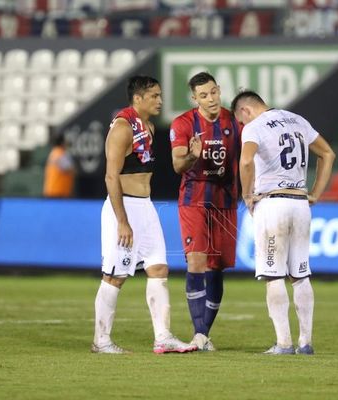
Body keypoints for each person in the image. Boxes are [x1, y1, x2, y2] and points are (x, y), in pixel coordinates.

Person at [92, 75, 197, 354]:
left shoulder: (147, 126)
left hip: (145, 207)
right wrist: (122, 221)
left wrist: (193, 157)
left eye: (160, 95)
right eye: (154, 96)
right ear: (137, 98)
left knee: (159, 268)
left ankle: (163, 337)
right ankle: (101, 341)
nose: (160, 100)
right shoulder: (123, 128)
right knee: (115, 275)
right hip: (123, 208)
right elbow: (111, 177)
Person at [232, 90, 335, 355]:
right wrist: (316, 193)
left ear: (244, 111)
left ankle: (284, 343)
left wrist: (246, 195)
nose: (242, 125)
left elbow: (246, 162)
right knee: (300, 274)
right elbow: (328, 154)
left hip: (272, 203)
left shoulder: (253, 127)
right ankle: (306, 342)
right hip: (300, 203)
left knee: (274, 274)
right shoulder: (296, 120)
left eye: (240, 121)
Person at [169, 72, 242, 351]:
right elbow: (177, 165)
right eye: (203, 95)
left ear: (219, 90)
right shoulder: (184, 123)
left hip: (225, 201)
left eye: (213, 92)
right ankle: (199, 333)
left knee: (217, 267)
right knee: (196, 262)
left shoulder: (234, 121)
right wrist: (192, 156)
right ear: (194, 98)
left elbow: (247, 156)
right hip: (194, 200)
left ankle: (203, 334)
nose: (210, 99)